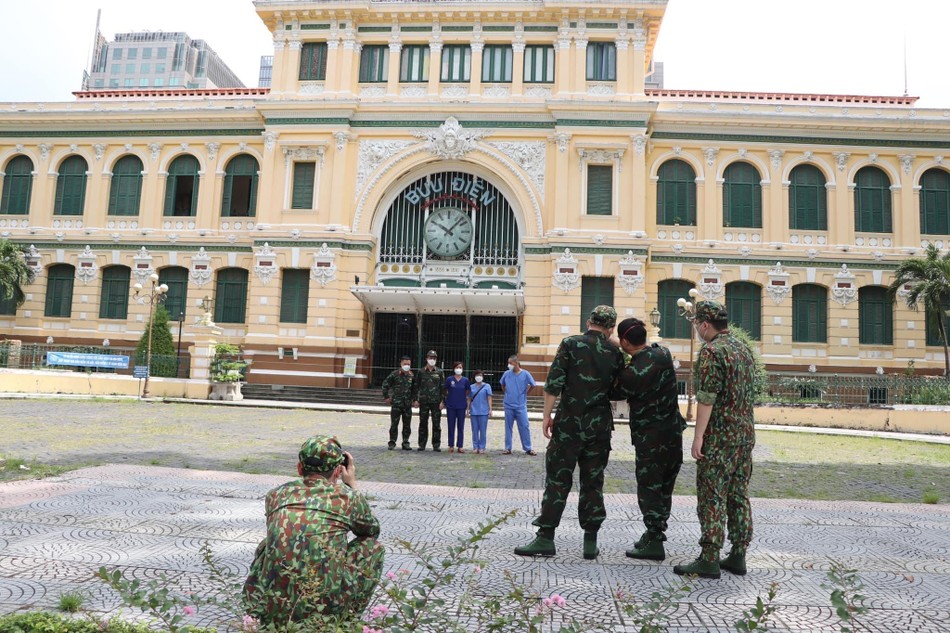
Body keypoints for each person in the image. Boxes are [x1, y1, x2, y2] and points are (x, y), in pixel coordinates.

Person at [514, 306, 624, 560]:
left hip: (568, 425)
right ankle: (590, 542)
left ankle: (545, 538)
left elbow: (553, 383)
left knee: (557, 480)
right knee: (593, 482)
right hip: (599, 427)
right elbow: (619, 390)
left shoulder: (570, 344)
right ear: (610, 328)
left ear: (588, 322)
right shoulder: (615, 353)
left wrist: (546, 416)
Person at [244, 435, 383, 626]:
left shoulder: (275, 494)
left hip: (276, 603)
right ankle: (346, 620)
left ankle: (259, 609)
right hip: (326, 606)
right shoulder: (348, 497)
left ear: (299, 468)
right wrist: (351, 486)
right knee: (372, 547)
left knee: (269, 544)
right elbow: (371, 531)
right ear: (338, 471)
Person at [673, 300, 756, 580]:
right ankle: (738, 553)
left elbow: (707, 398)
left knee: (712, 495)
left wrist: (698, 437)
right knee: (738, 493)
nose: (697, 329)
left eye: (697, 323)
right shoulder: (743, 349)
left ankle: (709, 558)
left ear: (705, 324)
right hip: (744, 434)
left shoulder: (711, 351)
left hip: (720, 437)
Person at [611, 317, 686, 561]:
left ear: (624, 342)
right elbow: (646, 351)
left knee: (649, 487)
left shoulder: (631, 374)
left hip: (650, 438)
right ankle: (656, 531)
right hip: (673, 434)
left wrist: (615, 353)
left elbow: (614, 390)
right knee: (665, 487)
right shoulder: (663, 354)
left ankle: (654, 540)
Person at [499, 355, 537, 455]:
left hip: (521, 405)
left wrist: (526, 393)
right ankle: (508, 448)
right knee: (508, 427)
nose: (509, 365)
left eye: (510, 363)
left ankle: (528, 448)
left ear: (516, 363)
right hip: (508, 405)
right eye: (508, 363)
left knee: (524, 426)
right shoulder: (507, 374)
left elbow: (533, 384)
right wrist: (507, 393)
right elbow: (502, 384)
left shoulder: (525, 374)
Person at [382, 355, 416, 450]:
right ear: (401, 363)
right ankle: (392, 442)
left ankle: (405, 442)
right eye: (405, 364)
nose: (407, 366)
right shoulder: (394, 374)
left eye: (408, 364)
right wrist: (386, 397)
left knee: (407, 425)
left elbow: (415, 389)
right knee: (394, 424)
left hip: (407, 405)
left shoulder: (412, 375)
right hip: (396, 404)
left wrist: (415, 399)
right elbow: (385, 385)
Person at [413, 350, 445, 451]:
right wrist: (415, 399)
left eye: (434, 358)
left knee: (436, 424)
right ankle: (422, 444)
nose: (432, 360)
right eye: (430, 358)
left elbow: (443, 388)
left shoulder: (439, 372)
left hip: (436, 402)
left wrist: (443, 401)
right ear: (427, 358)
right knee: (423, 423)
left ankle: (436, 445)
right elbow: (416, 386)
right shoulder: (421, 372)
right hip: (424, 401)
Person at [444, 361, 470, 453]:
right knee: (451, 426)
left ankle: (460, 445)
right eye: (457, 367)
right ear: (454, 368)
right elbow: (445, 390)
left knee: (461, 426)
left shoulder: (465, 380)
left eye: (460, 367)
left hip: (461, 406)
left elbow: (467, 391)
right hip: (451, 405)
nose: (458, 369)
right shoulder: (449, 379)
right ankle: (451, 445)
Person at [468, 369, 493, 454]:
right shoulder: (471, 387)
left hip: (484, 411)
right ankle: (475, 446)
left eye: (480, 375)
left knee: (483, 431)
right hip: (474, 411)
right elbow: (469, 398)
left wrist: (490, 409)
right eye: (477, 375)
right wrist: (467, 409)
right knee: (474, 430)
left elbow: (489, 398)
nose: (479, 377)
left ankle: (482, 446)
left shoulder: (487, 386)